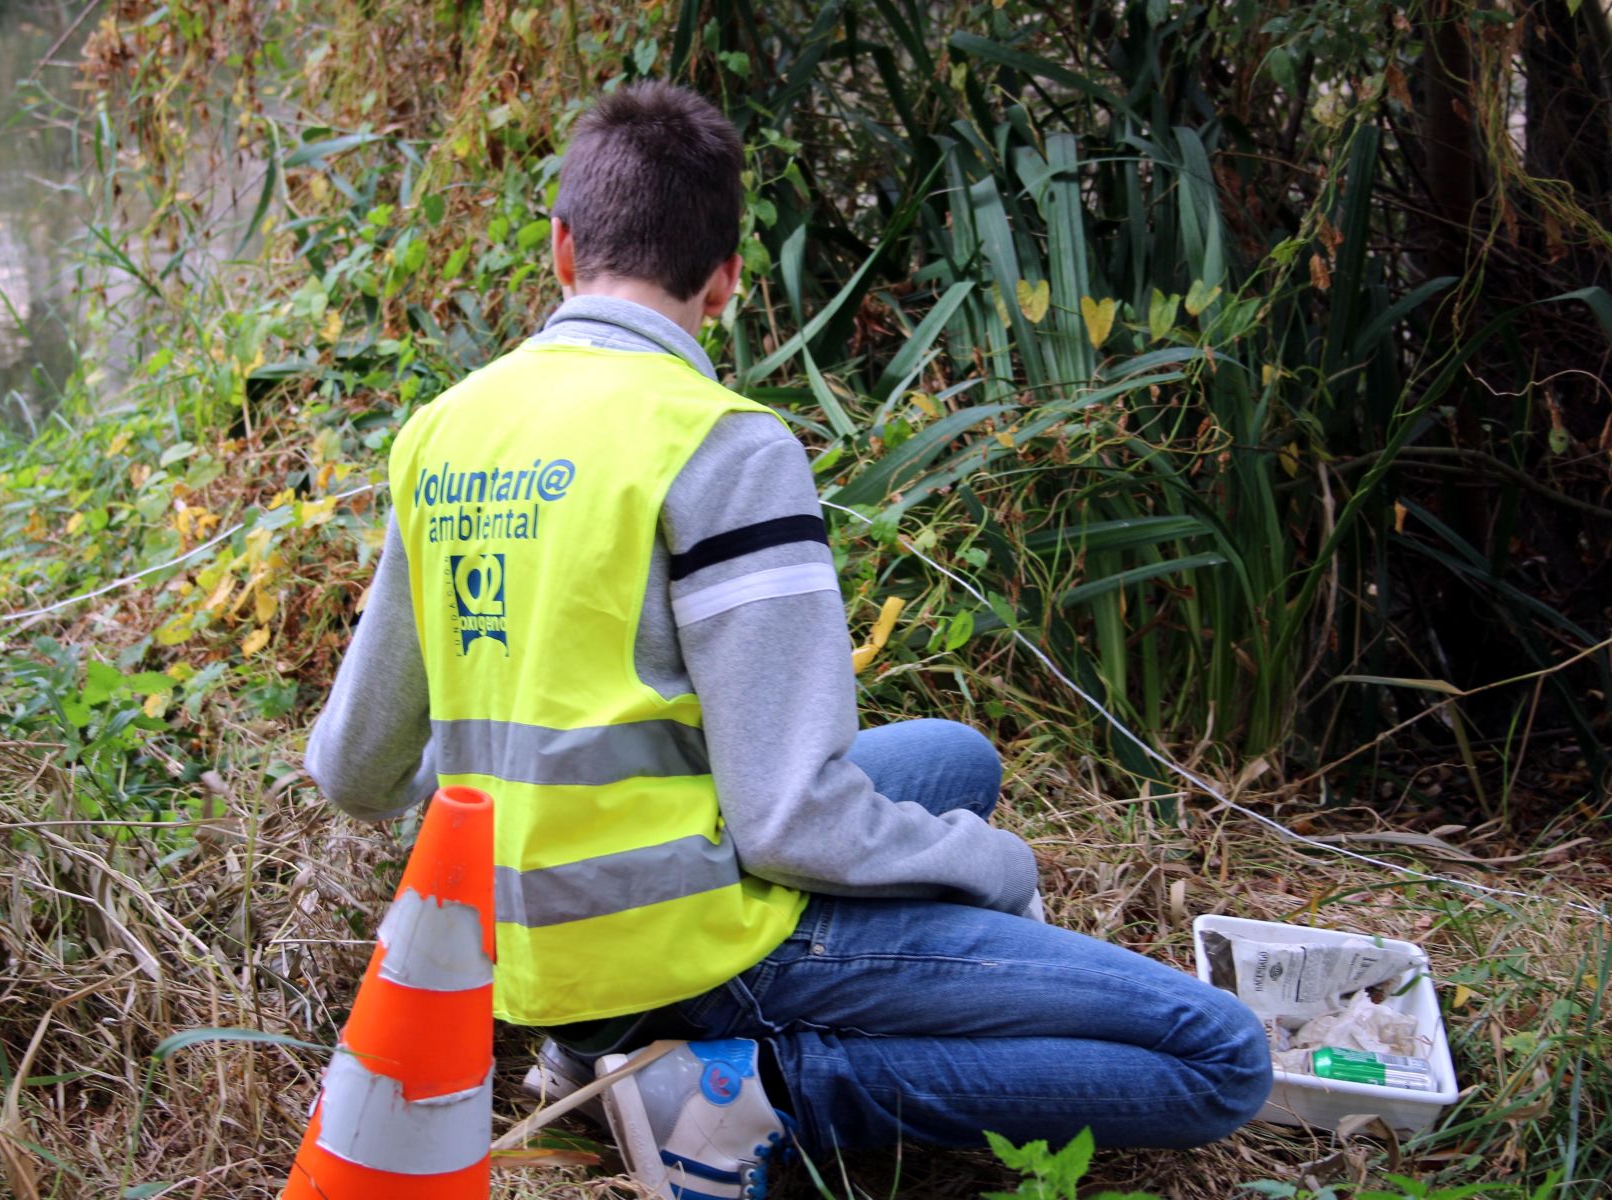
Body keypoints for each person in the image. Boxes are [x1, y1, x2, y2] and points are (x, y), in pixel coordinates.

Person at [305, 81, 1271, 1199]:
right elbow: (789, 825)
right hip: (681, 945)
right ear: (723, 279)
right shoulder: (719, 446)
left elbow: (353, 771)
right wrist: (996, 870)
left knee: (957, 758)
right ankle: (750, 1091)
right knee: (1220, 1058)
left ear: (563, 250)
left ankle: (588, 1054)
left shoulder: (447, 430)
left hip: (515, 950)